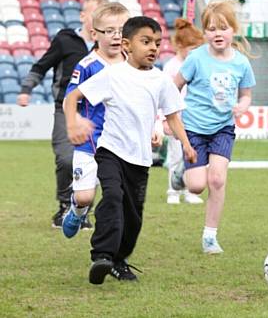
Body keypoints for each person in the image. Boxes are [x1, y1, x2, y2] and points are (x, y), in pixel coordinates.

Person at [64, 16, 196, 284]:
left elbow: (172, 116)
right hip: (110, 151)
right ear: (126, 45)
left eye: (157, 43)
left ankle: (118, 260)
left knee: (133, 218)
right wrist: (72, 123)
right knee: (112, 197)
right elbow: (72, 97)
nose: (153, 48)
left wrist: (186, 144)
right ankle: (101, 256)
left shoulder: (161, 80)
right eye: (145, 41)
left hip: (140, 160)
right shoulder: (112, 76)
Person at [171, 1, 256, 254]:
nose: (217, 33)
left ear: (233, 30)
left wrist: (243, 106)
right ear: (205, 33)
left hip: (222, 129)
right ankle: (180, 174)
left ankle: (210, 237)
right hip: (194, 128)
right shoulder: (196, 58)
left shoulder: (241, 63)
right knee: (196, 186)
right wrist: (168, 119)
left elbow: (247, 95)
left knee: (217, 179)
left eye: (223, 27)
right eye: (211, 28)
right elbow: (173, 88)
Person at [18, 0, 108, 228]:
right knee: (66, 159)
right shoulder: (65, 40)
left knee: (97, 161)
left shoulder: (109, 46)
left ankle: (82, 211)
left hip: (98, 111)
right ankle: (64, 206)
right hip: (65, 107)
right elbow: (42, 65)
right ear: (83, 16)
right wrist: (27, 88)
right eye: (94, 14)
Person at [60, 2, 129, 238]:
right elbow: (70, 98)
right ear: (94, 34)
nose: (116, 36)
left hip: (120, 142)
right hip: (90, 141)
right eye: (109, 31)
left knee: (116, 196)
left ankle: (108, 243)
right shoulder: (87, 66)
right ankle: (77, 211)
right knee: (85, 196)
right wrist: (73, 122)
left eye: (121, 30)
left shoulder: (133, 63)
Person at [162, 18, 205, 205]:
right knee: (175, 155)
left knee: (191, 154)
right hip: (176, 117)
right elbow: (165, 95)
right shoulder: (171, 67)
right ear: (179, 45)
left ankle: (189, 190)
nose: (195, 52)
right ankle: (173, 190)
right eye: (191, 47)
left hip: (194, 117)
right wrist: (165, 120)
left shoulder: (198, 63)